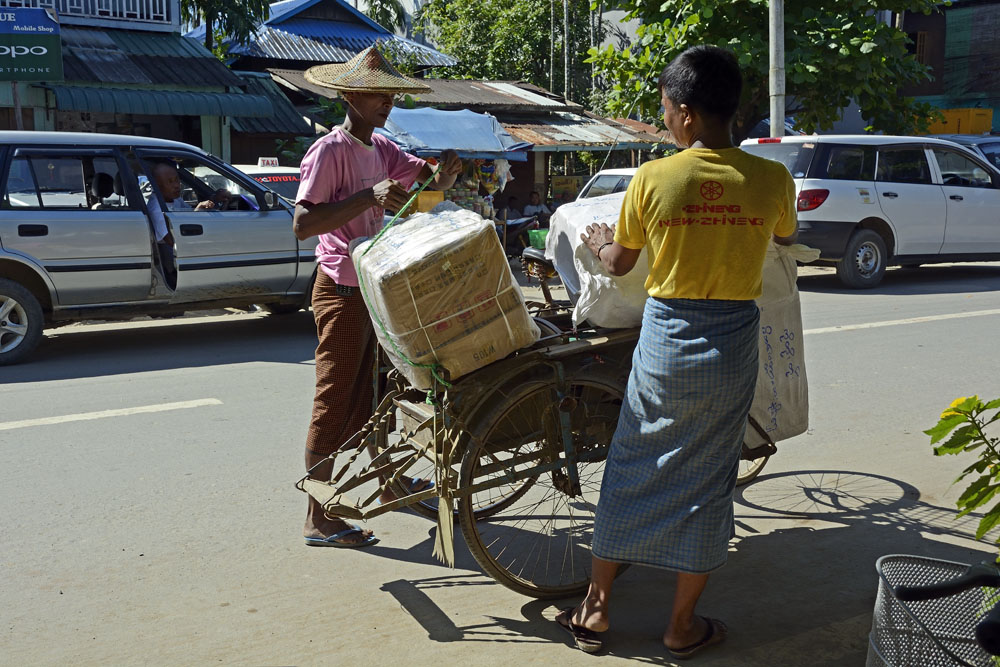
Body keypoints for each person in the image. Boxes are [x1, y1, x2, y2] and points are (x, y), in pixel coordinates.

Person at [558, 46, 798, 658]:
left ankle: (596, 609)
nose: (664, 118)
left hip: (666, 342)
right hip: (732, 344)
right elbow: (785, 235)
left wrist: (600, 242)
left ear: (686, 113)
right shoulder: (773, 178)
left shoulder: (653, 178)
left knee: (633, 463)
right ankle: (681, 626)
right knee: (709, 478)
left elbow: (620, 264)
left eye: (666, 108)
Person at [294, 47, 462, 548]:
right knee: (334, 399)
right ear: (350, 96)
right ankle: (317, 516)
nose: (387, 103)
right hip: (341, 288)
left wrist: (444, 178)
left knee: (381, 393)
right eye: (378, 95)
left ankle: (390, 480)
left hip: (375, 286)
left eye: (390, 96)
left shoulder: (384, 148)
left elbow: (420, 203)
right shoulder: (329, 151)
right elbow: (303, 224)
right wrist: (369, 197)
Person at [145, 162, 222, 289]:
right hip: (172, 257)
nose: (177, 185)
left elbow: (188, 215)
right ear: (157, 186)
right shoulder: (156, 208)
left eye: (177, 180)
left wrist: (204, 205)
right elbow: (170, 240)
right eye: (170, 182)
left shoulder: (175, 199)